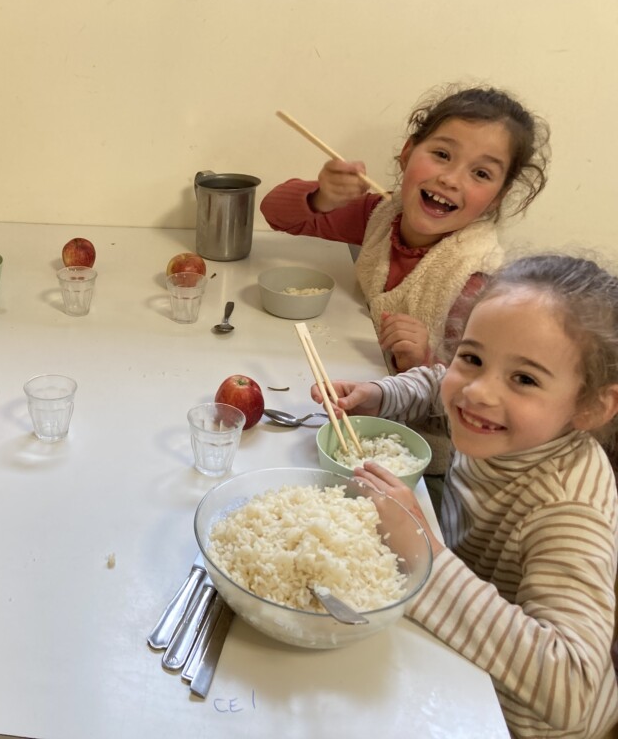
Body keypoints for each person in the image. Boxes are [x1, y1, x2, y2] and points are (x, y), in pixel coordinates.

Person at [320, 254, 618, 738]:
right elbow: (440, 382)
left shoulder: (568, 509)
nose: (478, 392)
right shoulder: (503, 422)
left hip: (511, 717)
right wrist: (379, 396)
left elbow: (571, 687)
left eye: (524, 379)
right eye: (473, 358)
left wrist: (425, 552)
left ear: (591, 407)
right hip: (466, 640)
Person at [261, 85, 550, 373]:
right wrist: (323, 197)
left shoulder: (476, 280)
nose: (450, 180)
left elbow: (472, 383)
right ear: (407, 153)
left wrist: (422, 360)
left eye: (481, 173)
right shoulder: (381, 213)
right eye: (442, 154)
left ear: (497, 196)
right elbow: (276, 214)